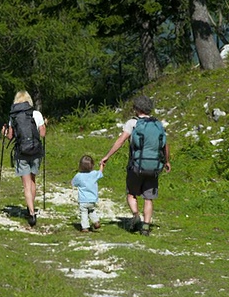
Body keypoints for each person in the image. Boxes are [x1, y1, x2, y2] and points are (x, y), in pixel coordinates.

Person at [100, 95, 171, 236]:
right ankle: (146, 226)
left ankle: (136, 215)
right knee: (148, 197)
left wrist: (107, 156)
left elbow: (120, 141)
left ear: (137, 109)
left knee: (131, 193)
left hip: (136, 166)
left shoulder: (132, 123)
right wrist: (167, 161)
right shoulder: (158, 124)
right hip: (154, 167)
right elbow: (165, 145)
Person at [1, 91, 46, 227]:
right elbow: (42, 134)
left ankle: (31, 213)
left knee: (26, 184)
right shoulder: (36, 114)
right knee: (33, 181)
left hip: (21, 152)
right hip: (36, 151)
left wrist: (3, 131)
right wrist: (44, 125)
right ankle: (31, 207)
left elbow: (10, 136)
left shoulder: (13, 116)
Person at [71, 155, 104, 232]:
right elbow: (100, 172)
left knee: (84, 213)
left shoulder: (78, 175)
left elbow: (73, 183)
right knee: (91, 210)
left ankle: (85, 227)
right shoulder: (94, 174)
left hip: (83, 200)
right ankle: (96, 222)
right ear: (92, 165)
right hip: (92, 199)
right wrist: (102, 165)